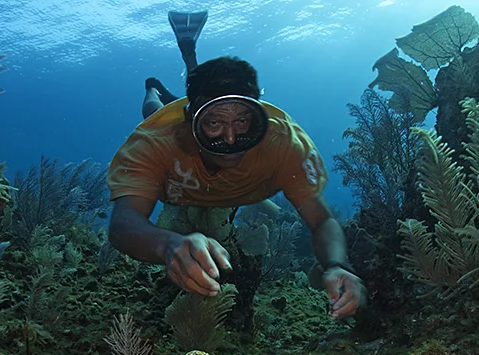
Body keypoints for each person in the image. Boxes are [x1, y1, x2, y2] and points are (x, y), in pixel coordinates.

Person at [107, 10, 366, 324]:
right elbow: (122, 224)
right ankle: (154, 89)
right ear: (193, 122)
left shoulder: (285, 142)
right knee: (154, 111)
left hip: (215, 156)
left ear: (259, 116)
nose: (231, 139)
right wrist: (168, 244)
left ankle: (195, 82)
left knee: (203, 105)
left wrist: (337, 265)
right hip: (173, 124)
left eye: (244, 121)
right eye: (214, 124)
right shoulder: (154, 141)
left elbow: (322, 220)